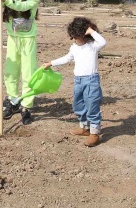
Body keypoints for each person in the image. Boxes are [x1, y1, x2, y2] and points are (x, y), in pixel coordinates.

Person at [42, 17, 107, 147]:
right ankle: (84, 127)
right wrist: (51, 63)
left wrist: (91, 31)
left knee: (92, 106)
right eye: (72, 37)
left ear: (84, 35)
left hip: (91, 81)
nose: (73, 39)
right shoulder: (74, 48)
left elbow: (103, 42)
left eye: (75, 37)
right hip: (78, 81)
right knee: (78, 104)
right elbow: (67, 58)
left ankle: (94, 132)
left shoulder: (93, 46)